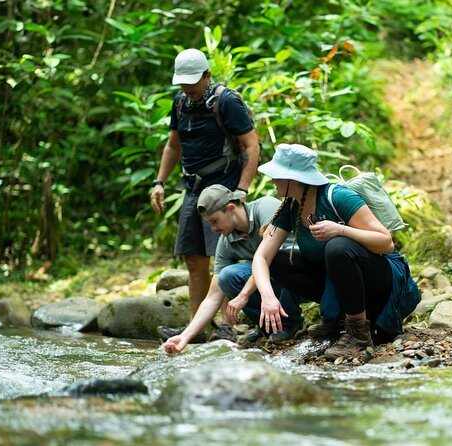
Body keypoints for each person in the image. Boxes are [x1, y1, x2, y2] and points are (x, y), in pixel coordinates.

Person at [251, 143, 421, 360]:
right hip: (343, 281)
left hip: (382, 279)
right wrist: (268, 297)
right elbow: (261, 257)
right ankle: (338, 321)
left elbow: (386, 242)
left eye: (276, 176)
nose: (272, 181)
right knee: (279, 260)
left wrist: (340, 230)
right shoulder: (291, 207)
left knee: (337, 246)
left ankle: (357, 332)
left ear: (292, 179)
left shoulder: (337, 196)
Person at [150, 48, 260, 335]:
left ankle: (227, 325)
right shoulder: (180, 103)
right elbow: (174, 145)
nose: (188, 88)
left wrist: (241, 191)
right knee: (194, 257)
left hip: (223, 190)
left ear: (208, 75)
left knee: (224, 257)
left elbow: (252, 145)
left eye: (193, 81)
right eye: (183, 83)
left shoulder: (226, 102)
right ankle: (195, 328)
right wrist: (159, 182)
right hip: (192, 189)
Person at [162, 184, 303, 354]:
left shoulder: (265, 207)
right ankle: (270, 325)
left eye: (214, 221)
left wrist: (243, 295)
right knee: (227, 277)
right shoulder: (226, 241)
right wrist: (185, 337)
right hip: (272, 281)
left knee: (280, 260)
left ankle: (289, 321)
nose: (213, 229)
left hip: (303, 274)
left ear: (230, 208)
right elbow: (213, 297)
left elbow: (272, 257)